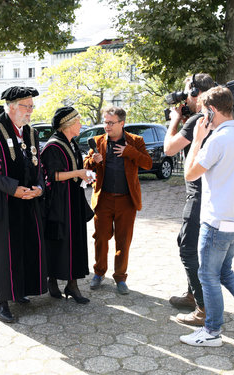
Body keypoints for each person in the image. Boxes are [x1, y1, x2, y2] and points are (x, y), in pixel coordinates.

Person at [180, 86, 234, 347]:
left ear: (211, 110)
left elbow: (190, 174)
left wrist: (197, 140)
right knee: (225, 272)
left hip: (217, 222)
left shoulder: (217, 139)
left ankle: (212, 331)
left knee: (208, 275)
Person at [0, 86, 47, 323]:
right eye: (27, 106)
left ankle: (19, 290)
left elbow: (39, 166)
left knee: (25, 247)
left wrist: (39, 187)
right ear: (12, 107)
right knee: (3, 252)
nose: (31, 111)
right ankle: (0, 299)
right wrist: (13, 189)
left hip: (27, 201)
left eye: (31, 106)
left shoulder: (30, 132)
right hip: (2, 202)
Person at [164, 73, 217, 326]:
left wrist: (174, 121)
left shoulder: (197, 119)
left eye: (188, 91)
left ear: (197, 93)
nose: (185, 96)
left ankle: (203, 308)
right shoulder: (213, 118)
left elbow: (169, 149)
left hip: (197, 196)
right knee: (189, 243)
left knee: (187, 248)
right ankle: (191, 294)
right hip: (209, 194)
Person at [84, 106, 152, 294]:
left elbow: (147, 163)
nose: (107, 126)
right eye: (105, 122)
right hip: (104, 199)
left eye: (110, 123)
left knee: (123, 241)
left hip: (126, 201)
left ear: (122, 123)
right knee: (101, 238)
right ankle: (98, 273)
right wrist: (93, 161)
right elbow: (86, 168)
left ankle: (120, 278)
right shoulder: (97, 141)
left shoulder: (135, 141)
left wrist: (130, 152)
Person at [40, 106, 94, 304]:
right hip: (59, 202)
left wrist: (84, 173)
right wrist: (78, 173)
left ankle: (72, 284)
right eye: (78, 121)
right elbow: (52, 175)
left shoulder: (71, 143)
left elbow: (73, 170)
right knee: (59, 241)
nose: (81, 125)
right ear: (68, 125)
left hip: (73, 199)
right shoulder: (53, 146)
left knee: (75, 241)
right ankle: (52, 280)